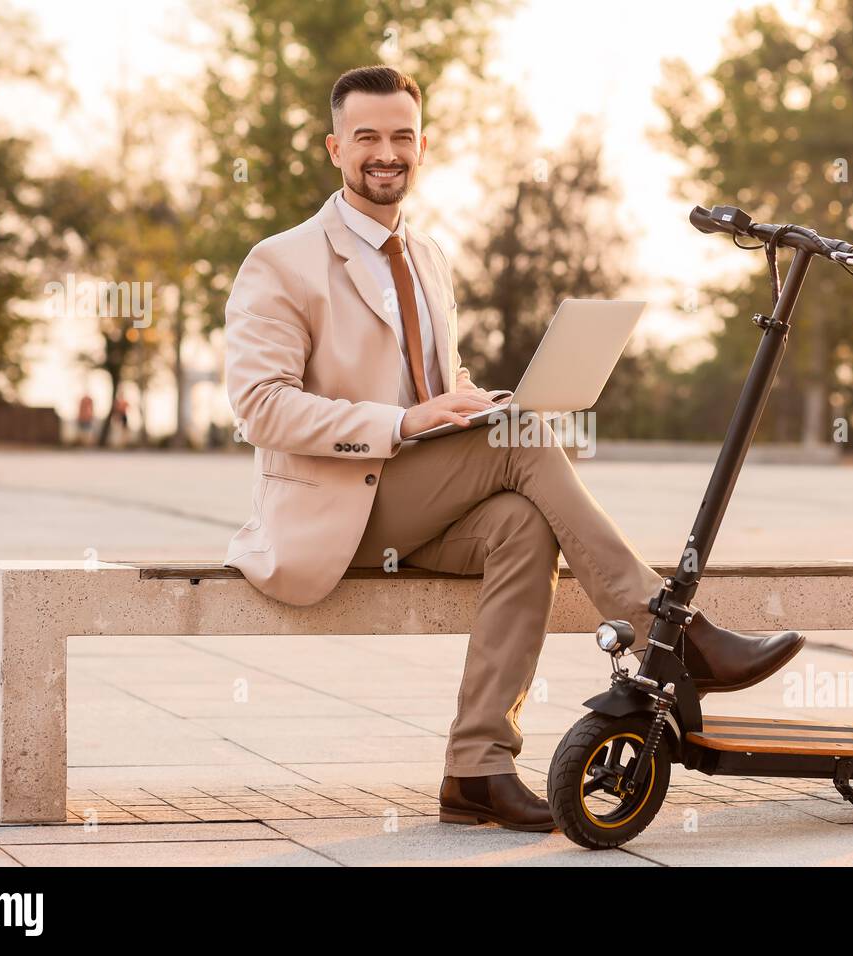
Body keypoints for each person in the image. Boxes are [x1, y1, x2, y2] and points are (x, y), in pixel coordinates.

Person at [221, 65, 803, 832]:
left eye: (401, 136)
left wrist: (472, 402)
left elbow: (435, 380)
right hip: (339, 511)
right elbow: (258, 406)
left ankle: (477, 769)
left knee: (524, 526)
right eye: (366, 137)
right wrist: (407, 423)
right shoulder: (281, 261)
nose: (385, 152)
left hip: (416, 500)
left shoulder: (426, 256)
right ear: (335, 148)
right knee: (524, 440)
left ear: (422, 146)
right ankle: (667, 627)